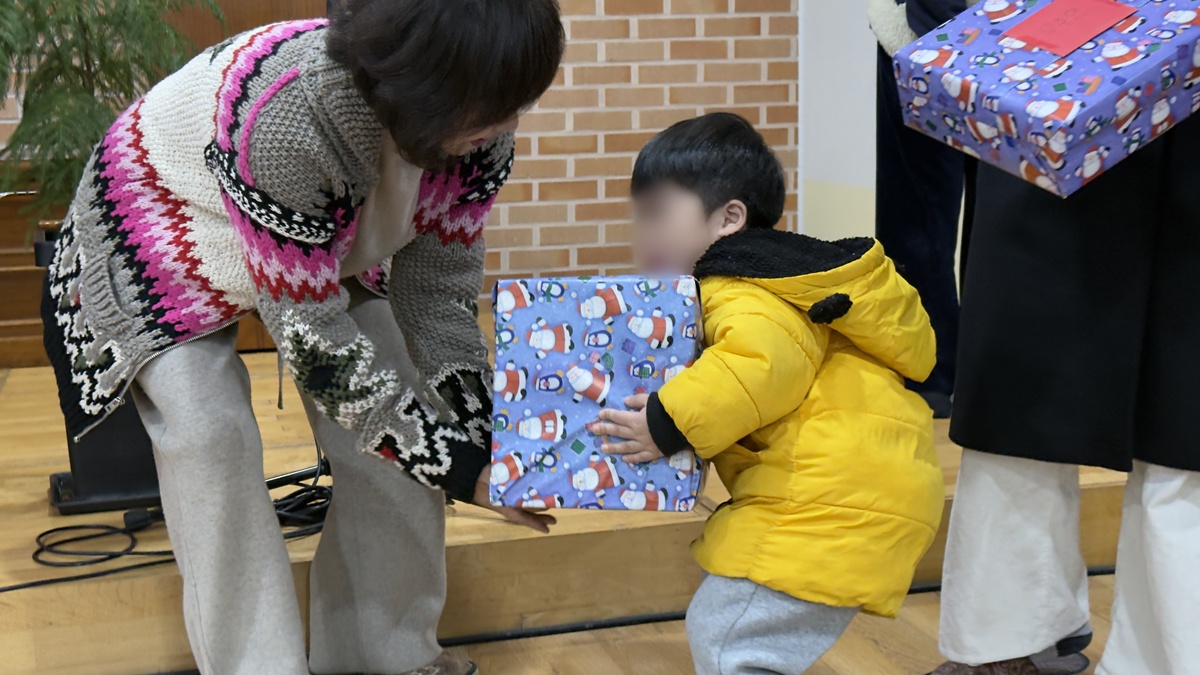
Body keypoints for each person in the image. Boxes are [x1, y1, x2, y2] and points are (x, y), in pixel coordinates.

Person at [40, 2, 564, 674]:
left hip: (314, 238)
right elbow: (323, 355)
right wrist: (463, 471)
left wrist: (486, 441)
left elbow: (438, 296)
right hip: (158, 228)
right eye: (493, 109)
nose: (509, 125)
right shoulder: (289, 118)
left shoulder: (480, 125)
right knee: (211, 439)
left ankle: (384, 656)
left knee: (402, 396)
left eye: (519, 102)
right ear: (424, 86)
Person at [589, 113, 946, 675]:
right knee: (736, 624)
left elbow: (760, 363)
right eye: (639, 218)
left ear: (729, 218)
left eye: (658, 214)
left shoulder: (740, 287)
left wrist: (664, 422)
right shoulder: (779, 280)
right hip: (854, 488)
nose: (643, 235)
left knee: (729, 637)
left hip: (821, 498)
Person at [929, 115, 1200, 673]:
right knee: (1019, 382)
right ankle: (1005, 638)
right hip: (1050, 99)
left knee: (1187, 412)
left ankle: (1170, 657)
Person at [869, 0, 976, 418]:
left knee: (1005, 226)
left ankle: (987, 374)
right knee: (915, 220)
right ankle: (926, 369)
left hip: (1021, 43)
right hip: (914, 38)